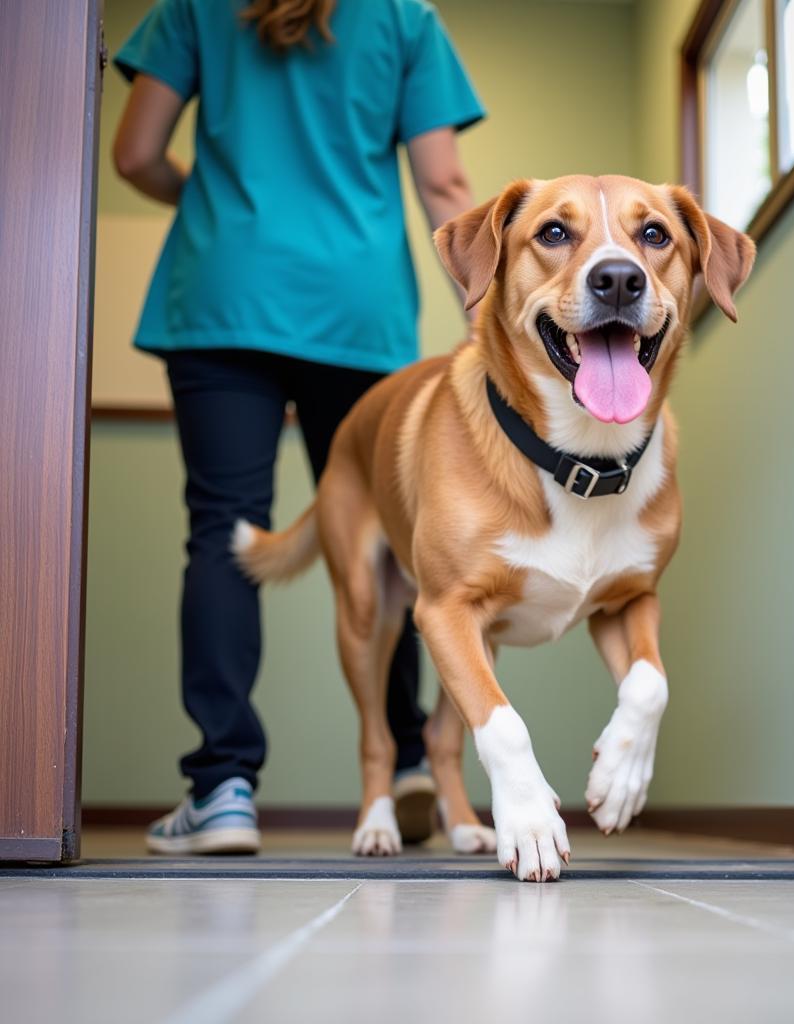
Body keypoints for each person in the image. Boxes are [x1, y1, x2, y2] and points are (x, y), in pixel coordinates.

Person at [112, 0, 484, 854]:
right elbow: (446, 186)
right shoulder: (402, 19)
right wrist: (482, 310)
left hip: (224, 291)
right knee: (397, 535)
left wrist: (207, 197)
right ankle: (409, 761)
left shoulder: (195, 9)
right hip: (357, 306)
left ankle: (222, 788)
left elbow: (133, 153)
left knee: (221, 527)